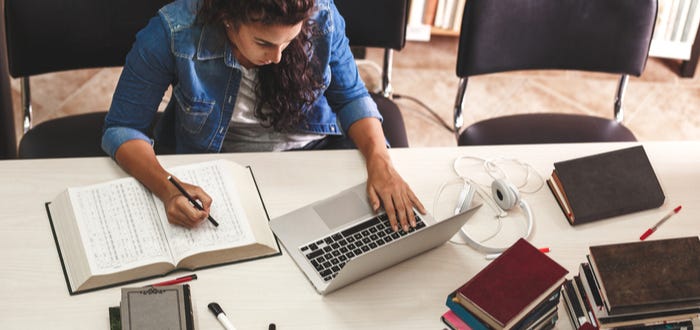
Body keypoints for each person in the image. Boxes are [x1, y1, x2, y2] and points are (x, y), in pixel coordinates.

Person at [102, 0, 425, 231]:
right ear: (228, 17)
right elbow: (123, 128)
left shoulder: (321, 16)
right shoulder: (174, 31)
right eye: (263, 42)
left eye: (290, 39)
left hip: (313, 161)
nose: (278, 56)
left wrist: (381, 162)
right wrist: (168, 187)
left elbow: (351, 97)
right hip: (219, 173)